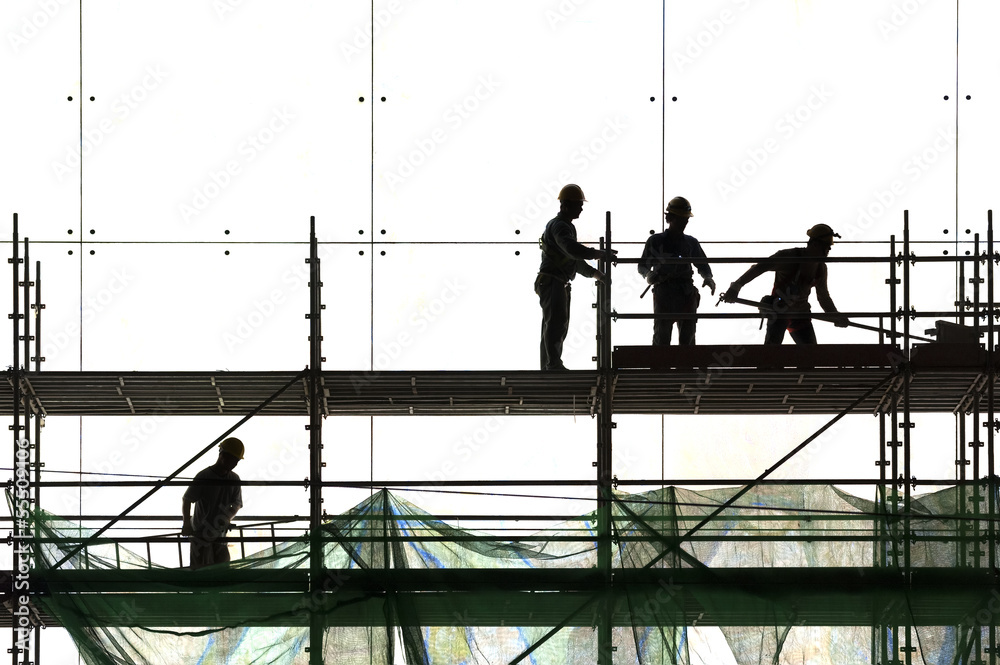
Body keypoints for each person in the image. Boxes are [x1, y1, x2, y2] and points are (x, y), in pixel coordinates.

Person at [723, 224, 850, 344]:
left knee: (811, 355)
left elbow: (823, 298)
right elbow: (760, 267)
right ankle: (768, 366)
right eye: (826, 247)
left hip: (801, 314)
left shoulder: (821, 269)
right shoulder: (789, 257)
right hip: (779, 311)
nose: (828, 251)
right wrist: (736, 287)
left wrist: (835, 316)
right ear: (815, 244)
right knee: (772, 355)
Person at [535, 184, 614, 370]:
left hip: (555, 281)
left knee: (555, 323)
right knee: (555, 323)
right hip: (552, 280)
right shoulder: (560, 226)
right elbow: (572, 250)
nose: (581, 208)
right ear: (566, 205)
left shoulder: (564, 226)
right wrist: (599, 254)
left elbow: (573, 260)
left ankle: (549, 365)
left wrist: (595, 273)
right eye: (578, 204)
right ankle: (552, 365)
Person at [637, 196, 716, 345]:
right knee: (662, 337)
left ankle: (685, 366)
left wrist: (708, 277)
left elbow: (702, 264)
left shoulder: (691, 242)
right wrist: (648, 274)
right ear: (670, 218)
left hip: (685, 292)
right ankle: (661, 366)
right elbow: (642, 265)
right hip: (665, 292)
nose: (684, 223)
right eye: (681, 219)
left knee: (688, 337)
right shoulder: (656, 241)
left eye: (686, 220)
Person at [182, 437, 244, 569]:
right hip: (201, 534)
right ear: (222, 455)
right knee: (201, 573)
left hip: (219, 534)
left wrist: (227, 518)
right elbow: (187, 499)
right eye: (233, 460)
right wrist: (186, 523)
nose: (235, 464)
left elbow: (237, 504)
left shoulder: (234, 479)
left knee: (221, 573)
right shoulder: (204, 477)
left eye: (237, 461)